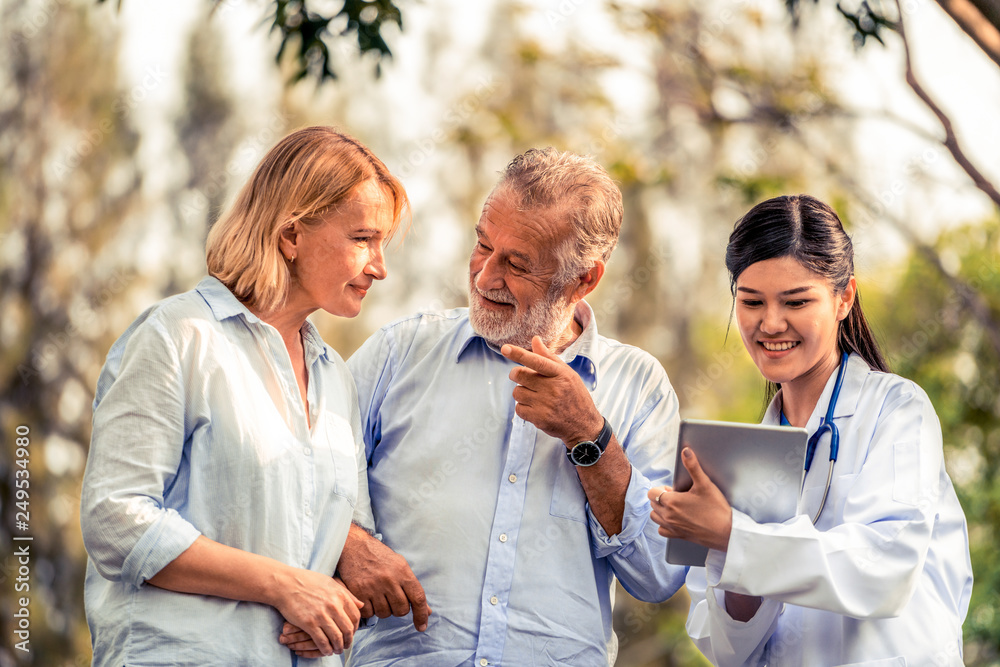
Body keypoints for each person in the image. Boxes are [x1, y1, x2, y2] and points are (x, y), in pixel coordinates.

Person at [281, 147, 688, 665]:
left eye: (517, 264)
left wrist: (590, 437)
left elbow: (657, 575)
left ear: (585, 278)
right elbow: (299, 472)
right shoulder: (399, 352)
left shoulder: (640, 385)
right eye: (482, 245)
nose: (484, 277)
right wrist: (350, 541)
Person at [79, 126, 415, 666]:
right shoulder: (178, 335)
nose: (379, 266)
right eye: (362, 239)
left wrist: (338, 609)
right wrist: (284, 587)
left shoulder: (335, 380)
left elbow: (334, 553)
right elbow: (116, 520)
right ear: (291, 236)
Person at [648, 194, 973, 666]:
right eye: (752, 301)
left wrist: (733, 535)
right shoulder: (732, 455)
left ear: (844, 298)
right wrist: (730, 559)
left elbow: (884, 570)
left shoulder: (897, 411)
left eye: (796, 301)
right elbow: (724, 649)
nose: (771, 323)